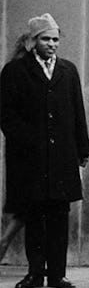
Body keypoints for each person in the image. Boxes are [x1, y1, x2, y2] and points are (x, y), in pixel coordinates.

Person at [1, 13, 89, 288]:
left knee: (58, 215)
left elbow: (78, 111)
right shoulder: (16, 71)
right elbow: (6, 114)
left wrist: (82, 148)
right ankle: (35, 272)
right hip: (30, 158)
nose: (52, 44)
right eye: (46, 39)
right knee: (34, 213)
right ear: (32, 41)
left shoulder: (68, 70)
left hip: (62, 155)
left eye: (55, 39)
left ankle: (57, 273)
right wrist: (27, 139)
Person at [0, 33, 33, 262]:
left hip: (19, 147)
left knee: (22, 204)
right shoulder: (18, 71)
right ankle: (3, 243)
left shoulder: (12, 70)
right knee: (27, 204)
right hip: (27, 147)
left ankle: (4, 242)